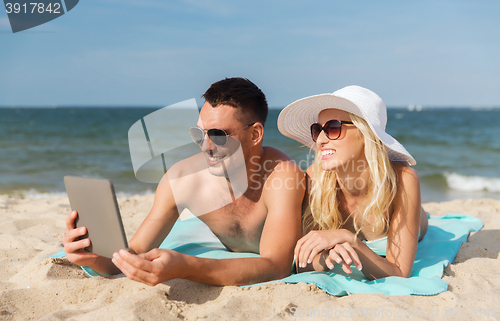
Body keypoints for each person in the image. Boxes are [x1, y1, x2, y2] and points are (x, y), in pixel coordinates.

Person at [63, 78, 305, 286]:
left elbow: (276, 266)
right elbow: (135, 252)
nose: (206, 146)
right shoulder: (181, 181)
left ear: (255, 134)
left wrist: (186, 267)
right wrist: (92, 258)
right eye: (199, 134)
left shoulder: (283, 177)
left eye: (218, 135)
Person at [277, 85, 428, 280]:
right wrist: (325, 257)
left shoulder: (403, 180)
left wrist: (350, 239)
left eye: (333, 128)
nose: (320, 139)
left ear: (366, 134)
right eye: (317, 130)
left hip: (420, 223)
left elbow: (399, 273)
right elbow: (301, 263)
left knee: (422, 221)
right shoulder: (315, 178)